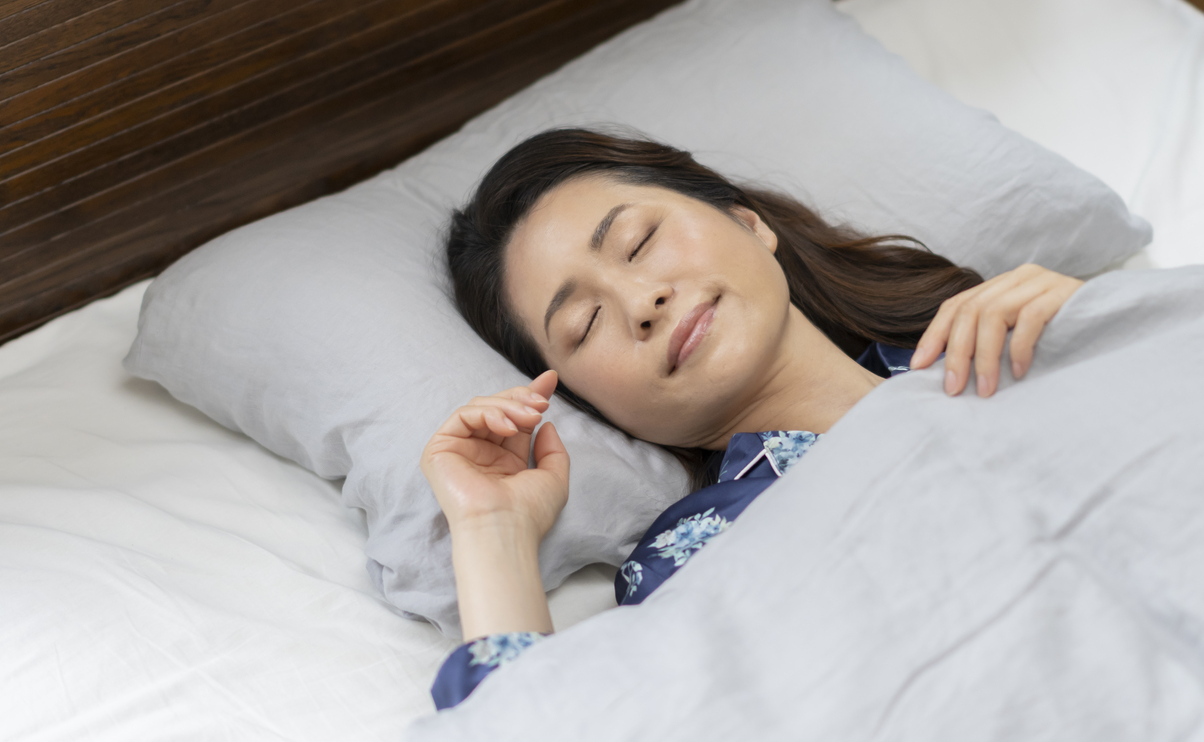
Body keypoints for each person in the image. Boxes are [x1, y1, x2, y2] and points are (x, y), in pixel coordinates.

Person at [423, 129, 1084, 707]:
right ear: (597, 406)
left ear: (747, 222)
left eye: (639, 242)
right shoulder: (698, 557)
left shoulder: (1007, 330)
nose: (642, 301)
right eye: (585, 323)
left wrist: (1099, 321)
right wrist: (492, 531)